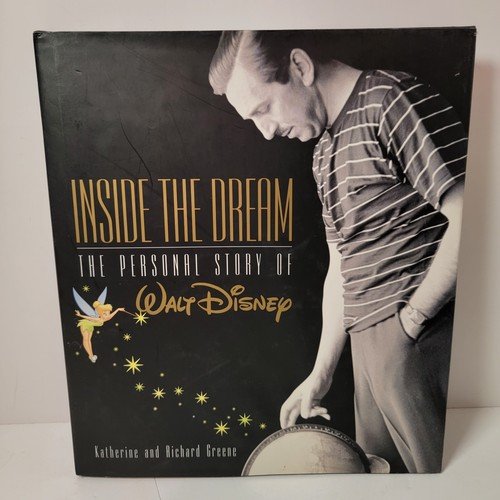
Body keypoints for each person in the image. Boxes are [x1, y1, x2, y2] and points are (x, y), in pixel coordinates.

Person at [209, 31, 467, 473]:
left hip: (420, 339)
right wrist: (321, 374)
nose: (266, 132)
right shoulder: (323, 151)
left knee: (447, 485)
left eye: (264, 109)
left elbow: (474, 217)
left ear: (300, 66)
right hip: (368, 357)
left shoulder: (391, 99)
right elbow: (340, 267)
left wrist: (414, 319)